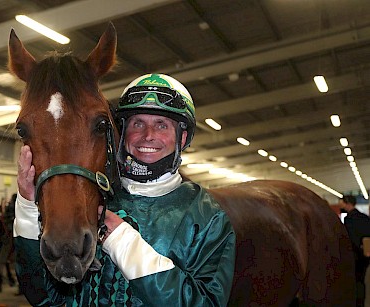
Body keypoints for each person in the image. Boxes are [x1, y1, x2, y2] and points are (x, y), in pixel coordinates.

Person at [14, 73, 236, 306]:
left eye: (161, 125)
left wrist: (123, 242)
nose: (148, 135)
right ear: (121, 133)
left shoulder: (207, 218)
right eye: (137, 123)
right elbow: (44, 297)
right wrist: (28, 206)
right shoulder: (95, 200)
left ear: (181, 138)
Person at [340, 195, 370, 307]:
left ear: (347, 203)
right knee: (362, 279)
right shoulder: (365, 218)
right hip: (365, 254)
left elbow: (350, 239)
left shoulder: (349, 219)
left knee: (355, 281)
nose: (340, 205)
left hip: (354, 255)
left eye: (341, 203)